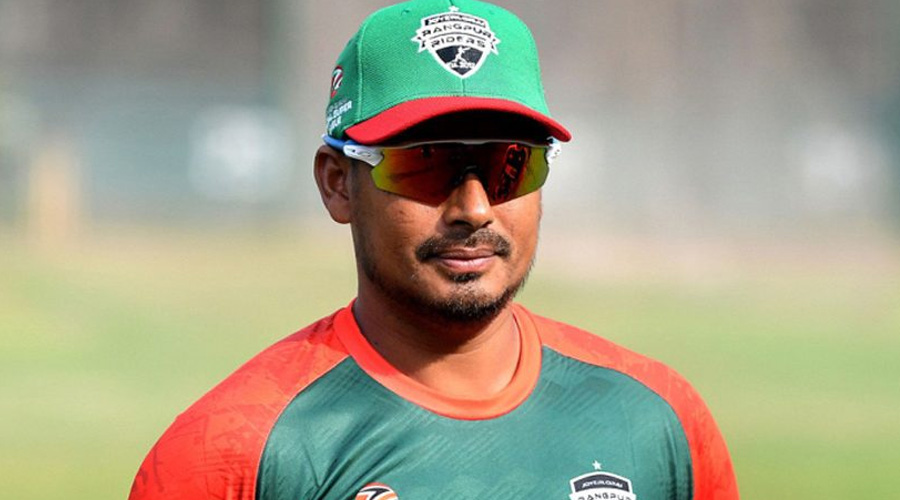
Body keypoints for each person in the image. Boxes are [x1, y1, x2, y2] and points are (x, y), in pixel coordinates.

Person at [128, 1, 739, 499]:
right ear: (337, 184)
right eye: (424, 163)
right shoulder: (236, 454)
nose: (474, 208)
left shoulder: (656, 421)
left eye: (510, 164)